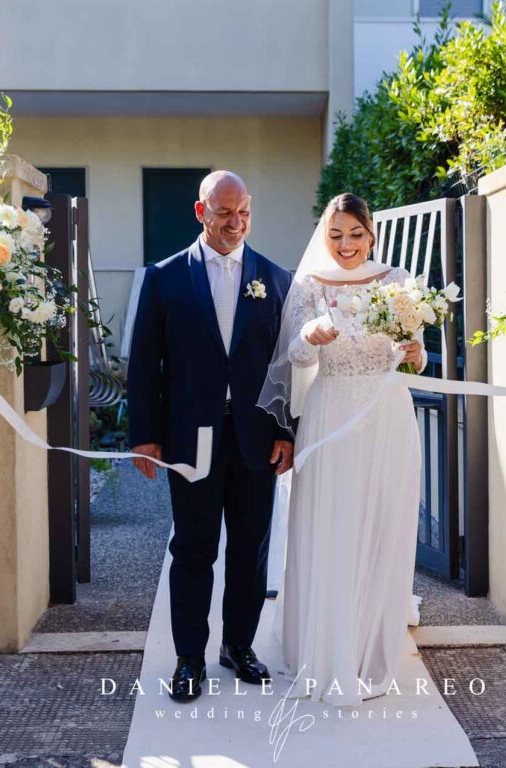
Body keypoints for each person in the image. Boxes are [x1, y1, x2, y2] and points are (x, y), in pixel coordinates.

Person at [127, 171, 294, 701]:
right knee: (193, 547)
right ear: (201, 212)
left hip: (255, 436)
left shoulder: (275, 278)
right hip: (191, 434)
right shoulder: (163, 277)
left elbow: (286, 364)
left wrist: (286, 430)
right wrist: (144, 435)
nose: (235, 222)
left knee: (250, 545)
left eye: (243, 212)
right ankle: (188, 658)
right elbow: (144, 363)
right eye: (224, 212)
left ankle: (238, 646)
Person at [259, 193, 426, 706]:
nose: (346, 244)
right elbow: (294, 355)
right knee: (332, 521)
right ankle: (326, 640)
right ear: (324, 237)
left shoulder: (397, 280)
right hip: (331, 411)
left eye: (355, 234)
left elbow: (415, 357)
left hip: (386, 413)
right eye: (336, 235)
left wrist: (414, 353)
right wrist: (312, 334)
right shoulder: (310, 283)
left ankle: (370, 638)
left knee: (381, 518)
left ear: (370, 234)